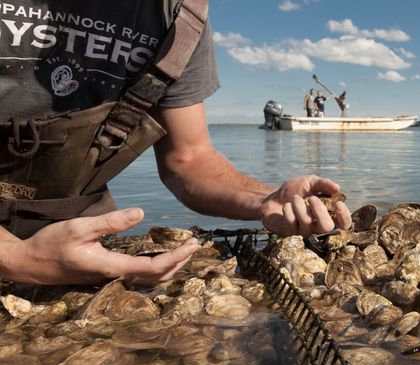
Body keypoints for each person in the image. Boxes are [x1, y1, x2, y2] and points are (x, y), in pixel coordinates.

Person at [0, 0, 351, 285]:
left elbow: (189, 159)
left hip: (78, 241)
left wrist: (266, 199)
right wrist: (15, 258)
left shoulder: (182, 16)